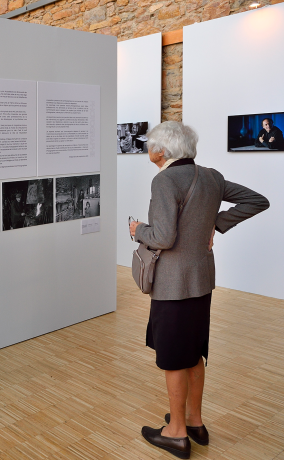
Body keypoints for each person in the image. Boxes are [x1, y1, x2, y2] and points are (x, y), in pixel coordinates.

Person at [129, 122, 269, 459]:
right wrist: (216, 225)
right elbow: (257, 200)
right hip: (201, 279)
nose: (148, 149)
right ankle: (194, 421)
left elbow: (162, 237)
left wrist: (137, 229)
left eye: (151, 145)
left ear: (162, 151)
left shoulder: (164, 180)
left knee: (175, 358)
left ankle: (176, 433)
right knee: (194, 351)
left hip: (173, 284)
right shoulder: (211, 176)